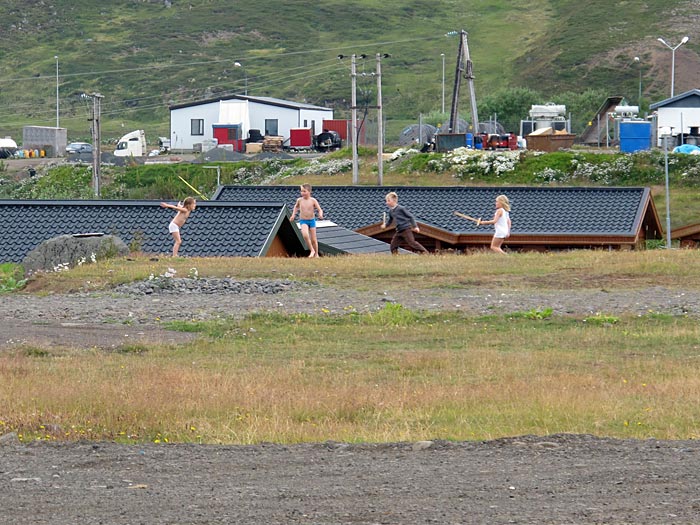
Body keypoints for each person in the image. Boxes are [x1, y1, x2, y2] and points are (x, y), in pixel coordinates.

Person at [290, 184, 324, 257]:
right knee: (305, 235)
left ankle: (316, 254)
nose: (302, 193)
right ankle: (312, 250)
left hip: (311, 221)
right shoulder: (299, 200)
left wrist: (320, 214)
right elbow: (296, 207)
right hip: (303, 220)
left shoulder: (313, 200)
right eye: (301, 191)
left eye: (304, 191)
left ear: (309, 191)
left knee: (314, 239)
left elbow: (319, 209)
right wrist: (293, 215)